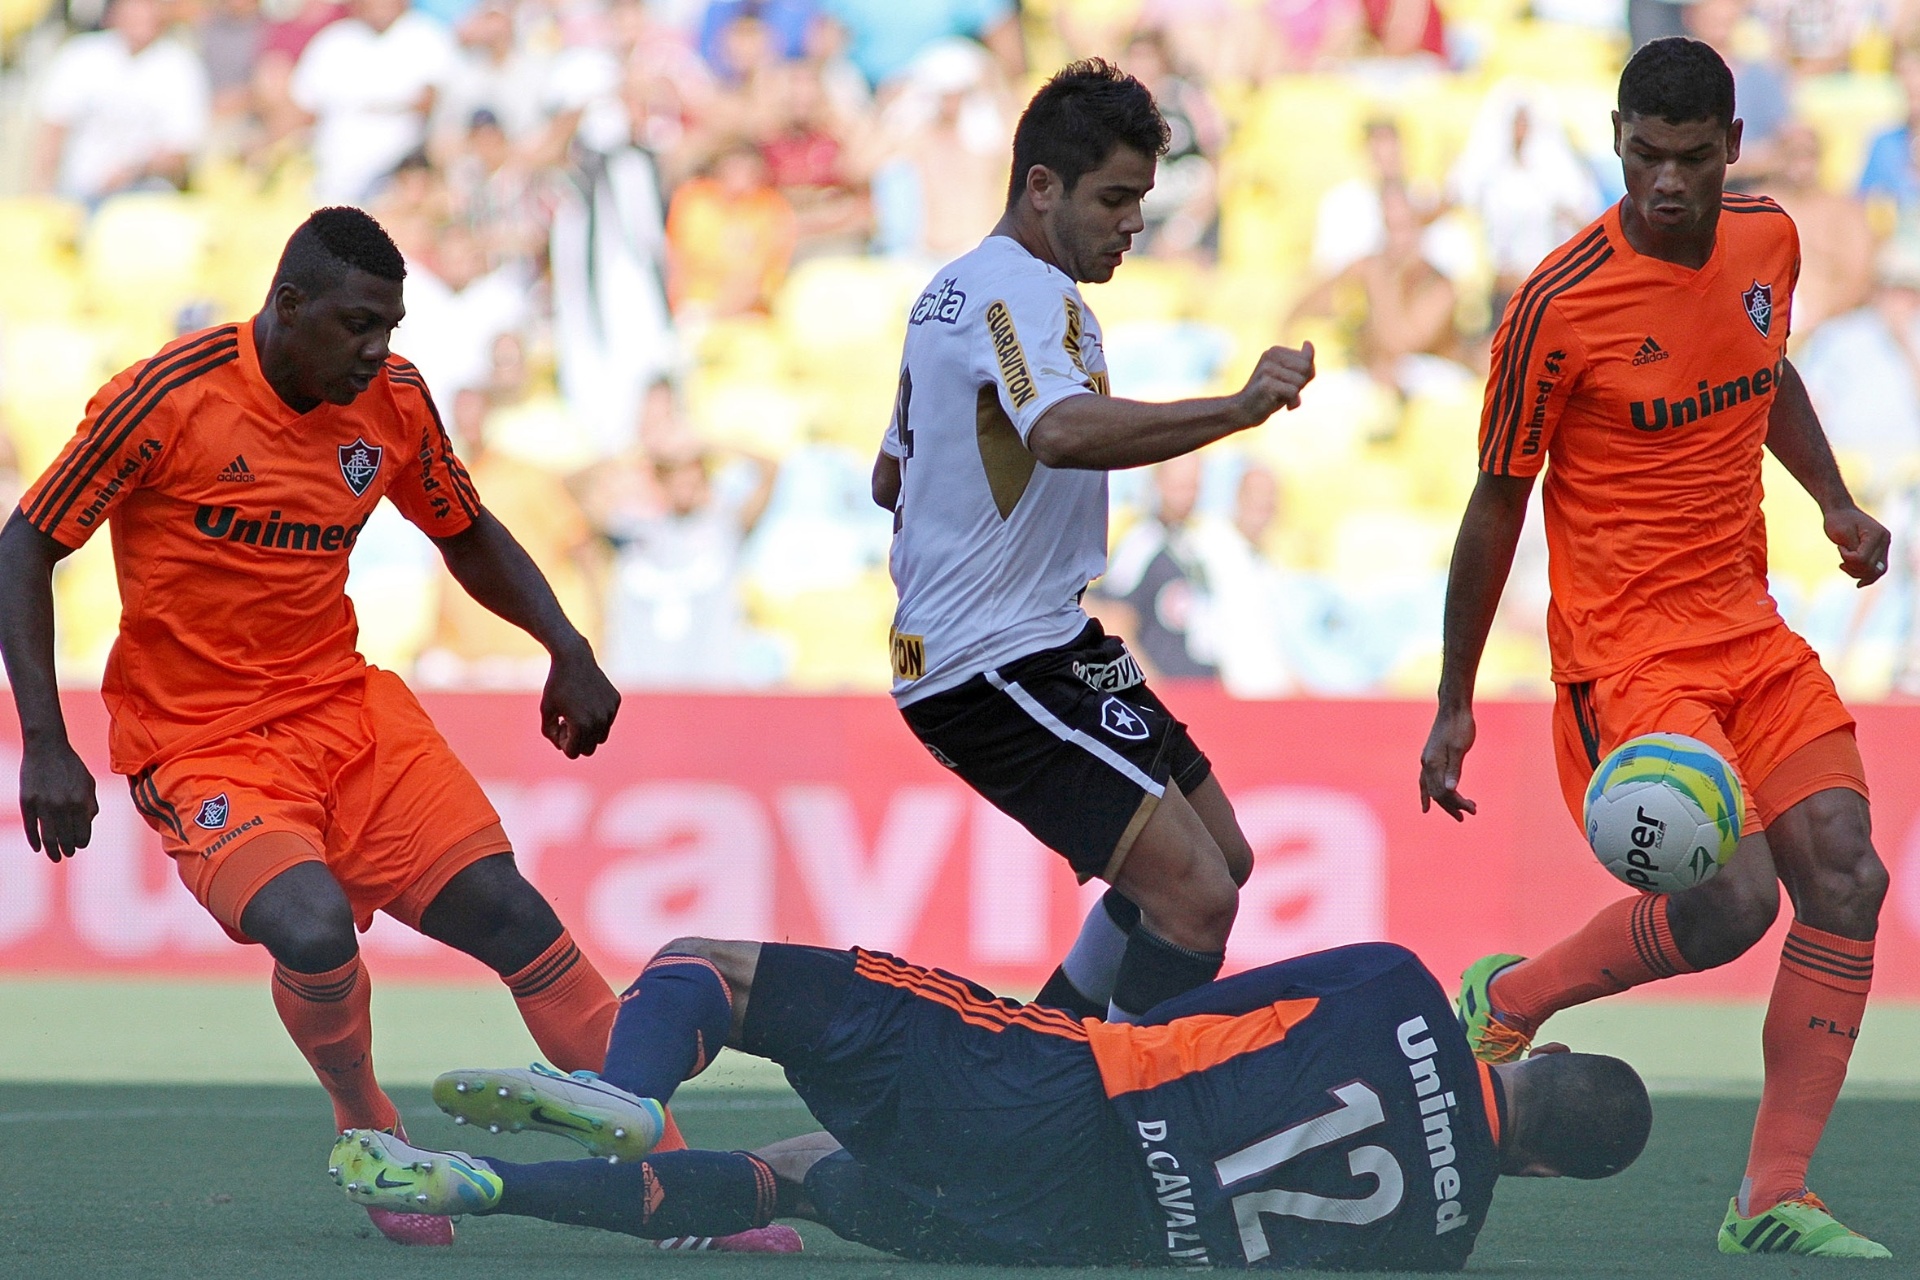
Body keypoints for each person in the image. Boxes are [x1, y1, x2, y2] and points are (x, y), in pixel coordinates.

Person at [0, 208, 635, 1250]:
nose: (377, 350)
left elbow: (463, 528)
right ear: (287, 306)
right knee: (308, 923)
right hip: (199, 739)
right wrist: (47, 738)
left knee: (517, 919)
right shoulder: (168, 397)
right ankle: (369, 1127)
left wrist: (563, 643)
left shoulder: (391, 402)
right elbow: (23, 546)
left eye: (388, 325)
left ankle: (676, 1177)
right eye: (356, 325)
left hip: (346, 713)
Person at [1418, 39, 1893, 1258]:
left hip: (1750, 626)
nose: (1667, 181)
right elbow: (1494, 505)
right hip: (1628, 660)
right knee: (1734, 903)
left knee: (1846, 872)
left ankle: (1771, 1194)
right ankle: (1509, 998)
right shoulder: (1555, 304)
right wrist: (1454, 699)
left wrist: (1832, 501)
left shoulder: (1767, 241)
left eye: (1691, 157)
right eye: (1644, 154)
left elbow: (1765, 370)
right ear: (1616, 135)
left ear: (1731, 146)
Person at [330, 936, 1652, 1269]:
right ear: (1538, 1176)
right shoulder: (1441, 1244)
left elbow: (1198, 1014)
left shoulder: (1408, 989)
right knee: (792, 1170)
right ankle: (480, 1186)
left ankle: (623, 1087)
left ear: (1526, 1051)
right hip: (1064, 1233)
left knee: (710, 975)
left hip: (1061, 1095)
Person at [870, 60, 1316, 1026]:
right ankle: (1103, 1131)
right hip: (992, 659)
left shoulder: (950, 289)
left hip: (1043, 640)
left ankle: (1044, 1062)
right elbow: (1060, 432)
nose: (1134, 223)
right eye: (1115, 198)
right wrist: (1236, 410)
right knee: (1196, 897)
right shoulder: (1028, 292)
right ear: (1041, 186)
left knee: (1219, 859)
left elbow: (887, 479)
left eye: (1141, 199)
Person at [33, 0, 211, 204]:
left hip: (143, 196)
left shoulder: (181, 66)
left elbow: (181, 150)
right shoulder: (81, 55)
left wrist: (132, 170)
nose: (143, 16)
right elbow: (53, 128)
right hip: (78, 191)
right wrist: (43, 191)